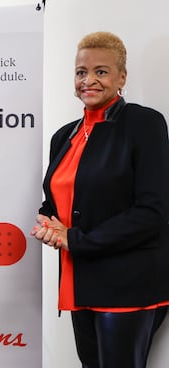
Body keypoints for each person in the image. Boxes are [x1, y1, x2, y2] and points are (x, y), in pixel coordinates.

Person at [31, 31, 169, 368]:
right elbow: (57, 200)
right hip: (80, 283)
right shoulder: (64, 136)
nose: (88, 80)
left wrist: (75, 238)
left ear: (122, 77)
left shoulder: (144, 123)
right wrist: (48, 222)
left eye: (101, 71)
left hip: (129, 285)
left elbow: (154, 211)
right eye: (81, 72)